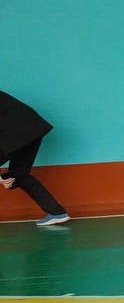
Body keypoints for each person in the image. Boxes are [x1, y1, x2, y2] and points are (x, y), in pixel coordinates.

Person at [0, 91, 70, 226]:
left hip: (15, 132)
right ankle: (56, 212)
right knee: (20, 174)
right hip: (33, 129)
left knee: (19, 175)